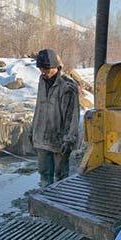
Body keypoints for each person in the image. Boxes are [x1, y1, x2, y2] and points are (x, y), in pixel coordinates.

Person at [30, 49, 80, 187]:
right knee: (44, 175)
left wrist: (69, 140)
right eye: (41, 69)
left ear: (55, 67)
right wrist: (32, 130)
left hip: (59, 140)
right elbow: (39, 107)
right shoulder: (42, 80)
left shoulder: (67, 86)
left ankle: (59, 202)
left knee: (61, 177)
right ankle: (45, 201)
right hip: (41, 137)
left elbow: (73, 115)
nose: (43, 72)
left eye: (46, 69)